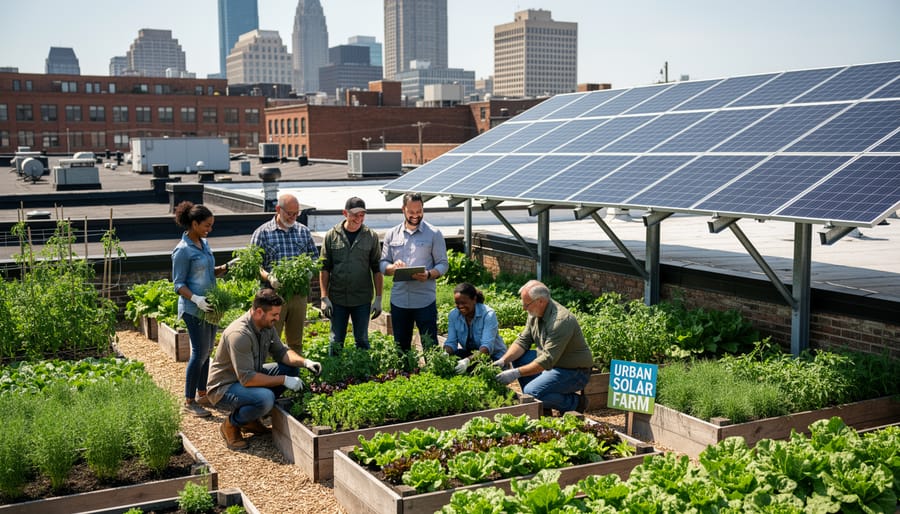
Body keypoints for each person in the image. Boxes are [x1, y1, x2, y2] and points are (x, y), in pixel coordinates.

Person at [206, 289, 322, 450]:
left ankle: (250, 418)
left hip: (248, 377)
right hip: (224, 388)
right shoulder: (239, 334)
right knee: (265, 398)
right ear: (259, 311)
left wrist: (305, 362)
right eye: (274, 314)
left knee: (291, 369)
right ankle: (231, 425)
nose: (278, 318)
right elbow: (247, 378)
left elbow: (281, 352)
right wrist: (283, 380)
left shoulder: (266, 325)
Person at [494, 280, 594, 414]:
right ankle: (543, 408)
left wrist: (515, 372)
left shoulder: (561, 321)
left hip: (573, 371)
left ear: (540, 301)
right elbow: (523, 341)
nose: (524, 308)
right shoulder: (534, 313)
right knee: (520, 358)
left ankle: (575, 403)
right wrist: (504, 360)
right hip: (552, 365)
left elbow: (547, 360)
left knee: (532, 392)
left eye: (526, 304)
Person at [172, 201, 229, 418]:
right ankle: (189, 400)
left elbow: (206, 272)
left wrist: (223, 268)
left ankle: (203, 393)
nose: (210, 229)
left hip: (210, 308)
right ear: (194, 224)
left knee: (207, 352)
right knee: (198, 352)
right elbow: (178, 284)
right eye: (206, 225)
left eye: (211, 225)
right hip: (194, 308)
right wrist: (196, 299)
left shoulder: (204, 245)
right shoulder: (182, 251)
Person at [379, 192, 449, 352]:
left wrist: (429, 274)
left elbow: (443, 264)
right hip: (399, 300)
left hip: (425, 300)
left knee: (430, 347)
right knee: (401, 348)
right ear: (403, 209)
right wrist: (392, 268)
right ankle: (405, 375)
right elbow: (383, 264)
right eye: (411, 212)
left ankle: (432, 374)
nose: (416, 216)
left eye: (419, 212)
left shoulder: (434, 233)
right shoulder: (392, 234)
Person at [250, 193, 319, 354]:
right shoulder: (263, 233)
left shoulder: (303, 231)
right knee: (269, 340)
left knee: (295, 342)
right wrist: (269, 277)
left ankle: (293, 375)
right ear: (278, 209)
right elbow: (254, 265)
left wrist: (309, 271)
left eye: (296, 213)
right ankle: (269, 375)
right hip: (272, 296)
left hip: (298, 295)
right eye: (289, 213)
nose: (293, 217)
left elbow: (315, 259)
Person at [319, 197, 384, 355]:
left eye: (362, 214)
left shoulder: (371, 237)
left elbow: (377, 268)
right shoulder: (331, 236)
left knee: (361, 339)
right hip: (337, 298)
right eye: (355, 214)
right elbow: (324, 268)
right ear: (345, 214)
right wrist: (324, 298)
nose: (358, 218)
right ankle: (332, 375)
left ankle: (363, 375)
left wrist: (379, 298)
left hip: (361, 299)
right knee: (336, 340)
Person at [443, 283, 507, 373]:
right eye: (457, 303)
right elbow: (451, 342)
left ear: (474, 300)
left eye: (464, 303)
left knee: (478, 370)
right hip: (471, 354)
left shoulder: (488, 315)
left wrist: (467, 361)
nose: (460, 306)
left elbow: (486, 347)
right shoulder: (454, 315)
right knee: (452, 360)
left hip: (494, 357)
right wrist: (445, 353)